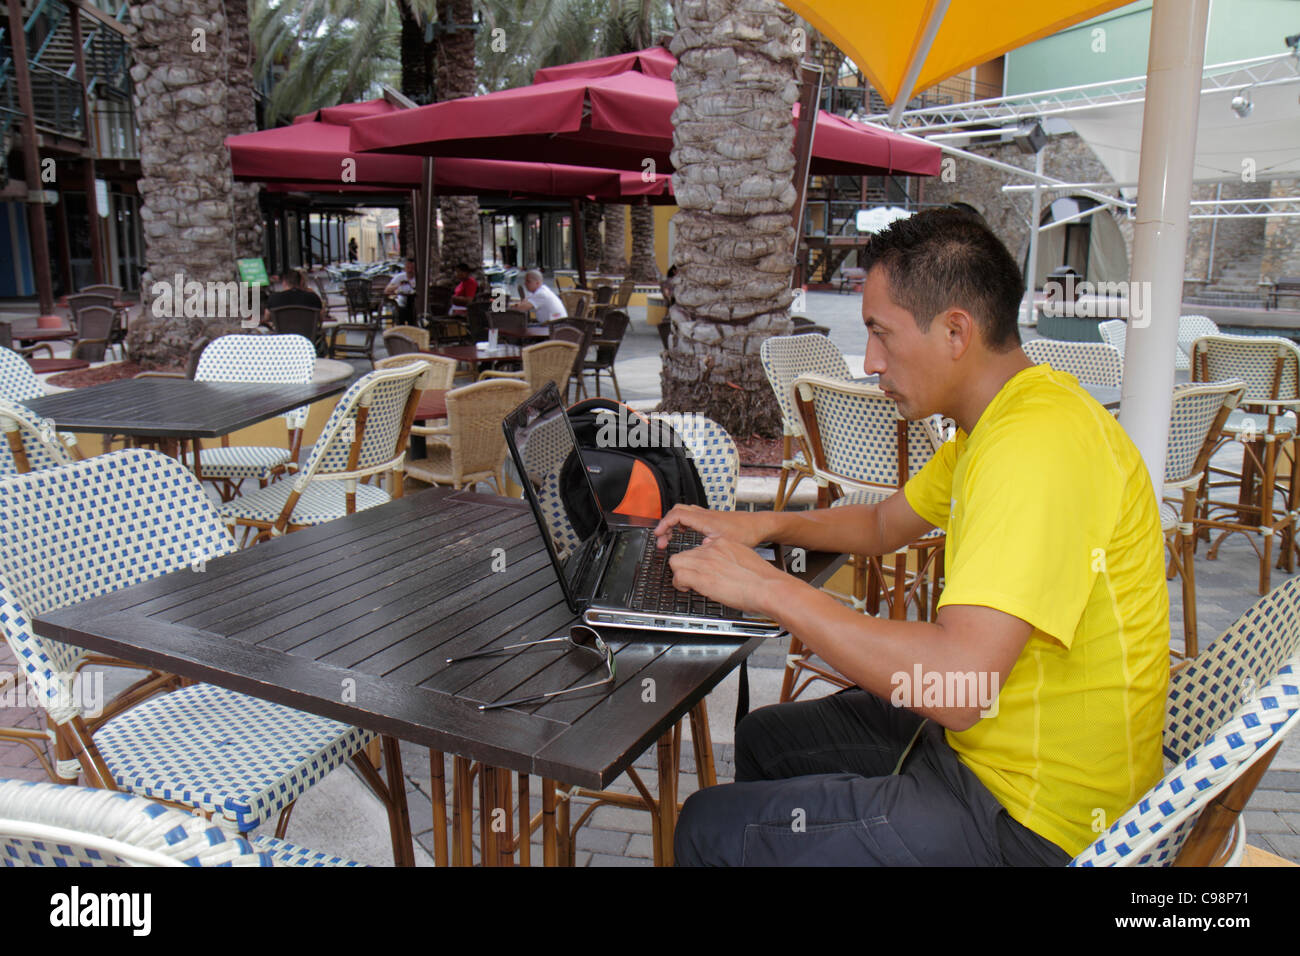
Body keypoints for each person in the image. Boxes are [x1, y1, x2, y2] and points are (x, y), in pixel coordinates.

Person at [659, 208, 1169, 866]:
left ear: (956, 330)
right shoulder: (1002, 420)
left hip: (1034, 821)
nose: (869, 361)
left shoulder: (1034, 447)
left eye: (881, 334)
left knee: (707, 828)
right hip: (987, 752)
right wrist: (762, 523)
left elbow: (959, 684)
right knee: (766, 739)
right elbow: (879, 523)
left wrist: (769, 588)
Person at [385, 257, 417, 326]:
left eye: (412, 268)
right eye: (408, 267)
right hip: (401, 302)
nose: (410, 270)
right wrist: (399, 285)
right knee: (402, 311)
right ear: (405, 268)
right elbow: (387, 289)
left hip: (415, 303)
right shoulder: (400, 277)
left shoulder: (418, 278)